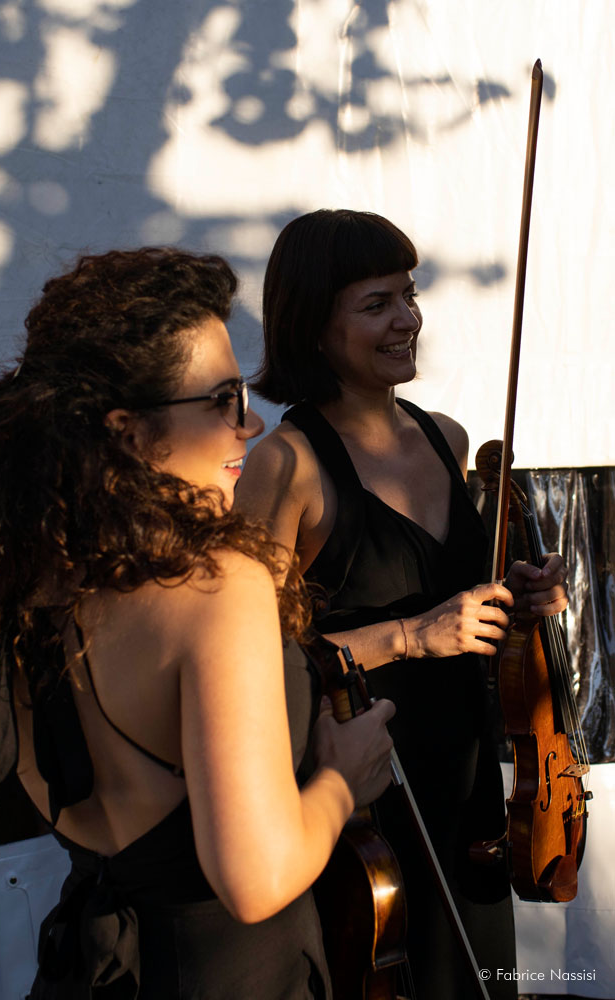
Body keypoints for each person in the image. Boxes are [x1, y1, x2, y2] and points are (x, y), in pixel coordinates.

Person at [0, 246, 397, 999]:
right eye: (223, 400)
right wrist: (341, 780)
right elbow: (255, 881)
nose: (250, 424)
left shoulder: (26, 573)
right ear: (127, 432)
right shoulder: (216, 588)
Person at [234, 209, 569, 1000]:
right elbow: (252, 662)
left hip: (467, 779)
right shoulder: (284, 466)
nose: (407, 319)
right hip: (366, 799)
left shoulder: (448, 438)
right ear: (314, 326)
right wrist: (411, 636)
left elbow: (465, 609)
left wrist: (519, 601)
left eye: (409, 296)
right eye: (376, 303)